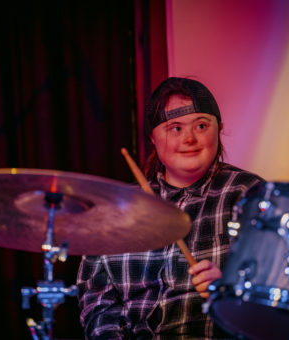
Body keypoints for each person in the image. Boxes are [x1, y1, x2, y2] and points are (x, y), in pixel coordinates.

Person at [77, 77, 264, 339]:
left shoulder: (250, 194)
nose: (189, 138)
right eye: (175, 128)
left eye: (201, 125)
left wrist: (231, 291)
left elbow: (275, 294)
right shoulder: (118, 207)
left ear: (218, 129)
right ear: (153, 138)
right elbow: (96, 300)